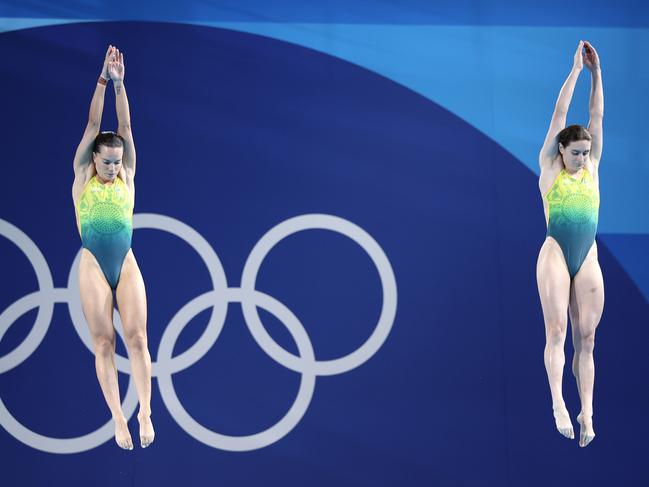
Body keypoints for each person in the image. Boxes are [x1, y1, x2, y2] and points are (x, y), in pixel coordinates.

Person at [72, 45, 154, 450]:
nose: (113, 167)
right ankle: (118, 417)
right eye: (107, 162)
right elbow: (94, 123)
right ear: (95, 160)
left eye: (118, 162)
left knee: (137, 337)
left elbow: (126, 124)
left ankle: (145, 412)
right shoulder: (83, 174)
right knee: (104, 341)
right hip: (92, 262)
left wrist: (122, 84)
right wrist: (103, 80)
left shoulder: (128, 175)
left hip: (125, 260)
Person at [536, 40, 604, 448]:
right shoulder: (549, 165)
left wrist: (599, 74)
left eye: (587, 152)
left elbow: (596, 115)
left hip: (588, 255)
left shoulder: (592, 166)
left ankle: (587, 412)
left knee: (589, 338)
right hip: (557, 253)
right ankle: (559, 403)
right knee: (558, 329)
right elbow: (561, 114)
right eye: (576, 152)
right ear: (561, 149)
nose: (582, 157)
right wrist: (576, 71)